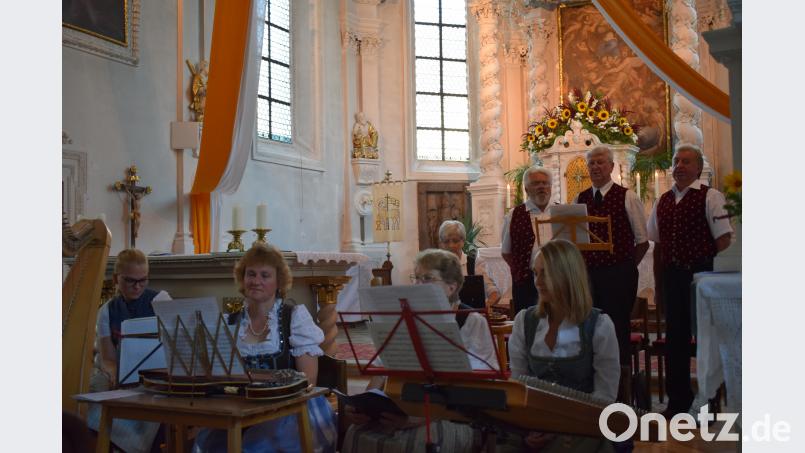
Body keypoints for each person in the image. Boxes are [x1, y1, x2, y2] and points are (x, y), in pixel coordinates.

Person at [341, 249, 497, 453]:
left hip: (454, 415)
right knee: (355, 433)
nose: (418, 285)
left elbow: (481, 388)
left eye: (428, 279)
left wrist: (421, 418)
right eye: (417, 278)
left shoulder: (472, 322)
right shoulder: (403, 320)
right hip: (404, 407)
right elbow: (382, 370)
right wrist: (365, 405)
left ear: (451, 287)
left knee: (415, 446)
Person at [193, 244, 336, 453]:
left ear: (279, 281)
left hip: (288, 412)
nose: (256, 281)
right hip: (238, 410)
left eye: (265, 275)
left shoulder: (294, 318)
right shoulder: (230, 322)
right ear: (242, 279)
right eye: (251, 274)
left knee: (254, 448)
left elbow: (308, 383)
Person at [506, 239, 620, 452]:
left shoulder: (599, 325)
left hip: (582, 424)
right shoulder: (525, 321)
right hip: (534, 423)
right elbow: (518, 384)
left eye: (545, 274)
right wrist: (532, 427)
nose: (537, 282)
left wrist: (559, 426)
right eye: (535, 273)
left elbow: (604, 397)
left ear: (567, 275)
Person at [647, 145, 732, 417]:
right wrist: (659, 287)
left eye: (686, 161)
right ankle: (677, 402)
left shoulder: (711, 197)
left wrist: (714, 280)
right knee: (676, 342)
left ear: (698, 167)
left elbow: (724, 241)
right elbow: (658, 246)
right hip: (673, 277)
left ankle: (708, 405)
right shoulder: (663, 201)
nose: (680, 166)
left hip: (703, 277)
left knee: (706, 341)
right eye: (676, 161)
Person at [575, 145, 649, 399]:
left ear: (611, 167)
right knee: (589, 328)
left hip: (618, 276)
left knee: (617, 331)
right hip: (588, 278)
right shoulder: (580, 199)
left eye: (600, 163)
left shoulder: (627, 197)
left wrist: (625, 267)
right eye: (591, 164)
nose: (595, 167)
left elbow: (642, 240)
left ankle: (620, 396)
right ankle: (591, 393)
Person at [87, 248, 171, 453]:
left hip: (155, 378)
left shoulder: (161, 300)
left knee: (148, 398)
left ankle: (126, 447)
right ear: (116, 278)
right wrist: (114, 373)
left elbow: (174, 348)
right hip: (122, 377)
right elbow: (108, 357)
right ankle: (101, 440)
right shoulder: (107, 310)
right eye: (131, 281)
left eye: (143, 280)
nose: (138, 286)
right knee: (98, 390)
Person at [502, 166, 554, 315]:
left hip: (558, 282)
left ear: (550, 187)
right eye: (536, 183)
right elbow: (506, 252)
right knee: (527, 325)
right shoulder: (515, 215)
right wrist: (521, 271)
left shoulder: (561, 211)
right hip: (526, 282)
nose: (541, 187)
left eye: (545, 183)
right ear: (526, 189)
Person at [438, 219, 501, 306]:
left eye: (455, 241)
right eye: (446, 241)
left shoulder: (474, 263)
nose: (451, 245)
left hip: (469, 316)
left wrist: (485, 307)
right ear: (441, 243)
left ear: (463, 241)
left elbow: (494, 293)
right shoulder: (436, 265)